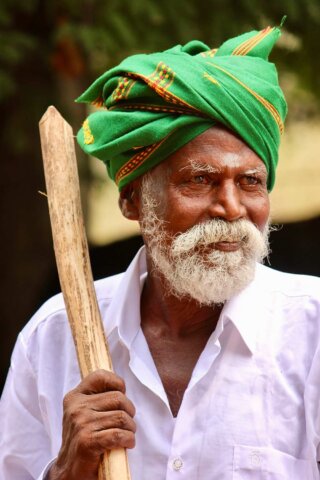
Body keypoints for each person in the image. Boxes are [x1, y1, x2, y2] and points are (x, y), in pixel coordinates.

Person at [1, 21, 320, 480]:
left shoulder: (310, 334)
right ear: (133, 201)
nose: (231, 208)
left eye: (250, 182)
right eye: (199, 180)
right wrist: (66, 472)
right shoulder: (51, 341)